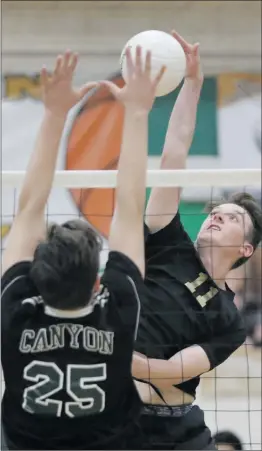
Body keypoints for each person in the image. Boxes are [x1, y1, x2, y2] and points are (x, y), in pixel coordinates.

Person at [1, 49, 165, 450]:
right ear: (97, 282)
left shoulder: (15, 308)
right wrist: (138, 113)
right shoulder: (119, 307)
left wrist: (54, 115)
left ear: (35, 276)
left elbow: (28, 210)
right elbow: (128, 209)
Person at [131, 31, 262, 450]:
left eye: (233, 217)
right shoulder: (168, 242)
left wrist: (109, 355)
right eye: (216, 211)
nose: (218, 214)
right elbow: (174, 155)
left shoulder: (229, 320)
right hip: (121, 416)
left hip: (177, 428)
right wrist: (192, 85)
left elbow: (167, 370)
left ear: (246, 250)